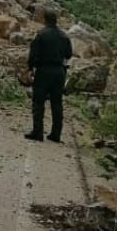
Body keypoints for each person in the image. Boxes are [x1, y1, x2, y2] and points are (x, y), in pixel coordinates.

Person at [24, 9, 73, 143]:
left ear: (44, 20)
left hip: (43, 71)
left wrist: (30, 68)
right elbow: (69, 54)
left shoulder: (41, 35)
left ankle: (38, 132)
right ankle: (56, 134)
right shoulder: (64, 36)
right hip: (59, 72)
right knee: (57, 103)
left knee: (38, 102)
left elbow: (33, 54)